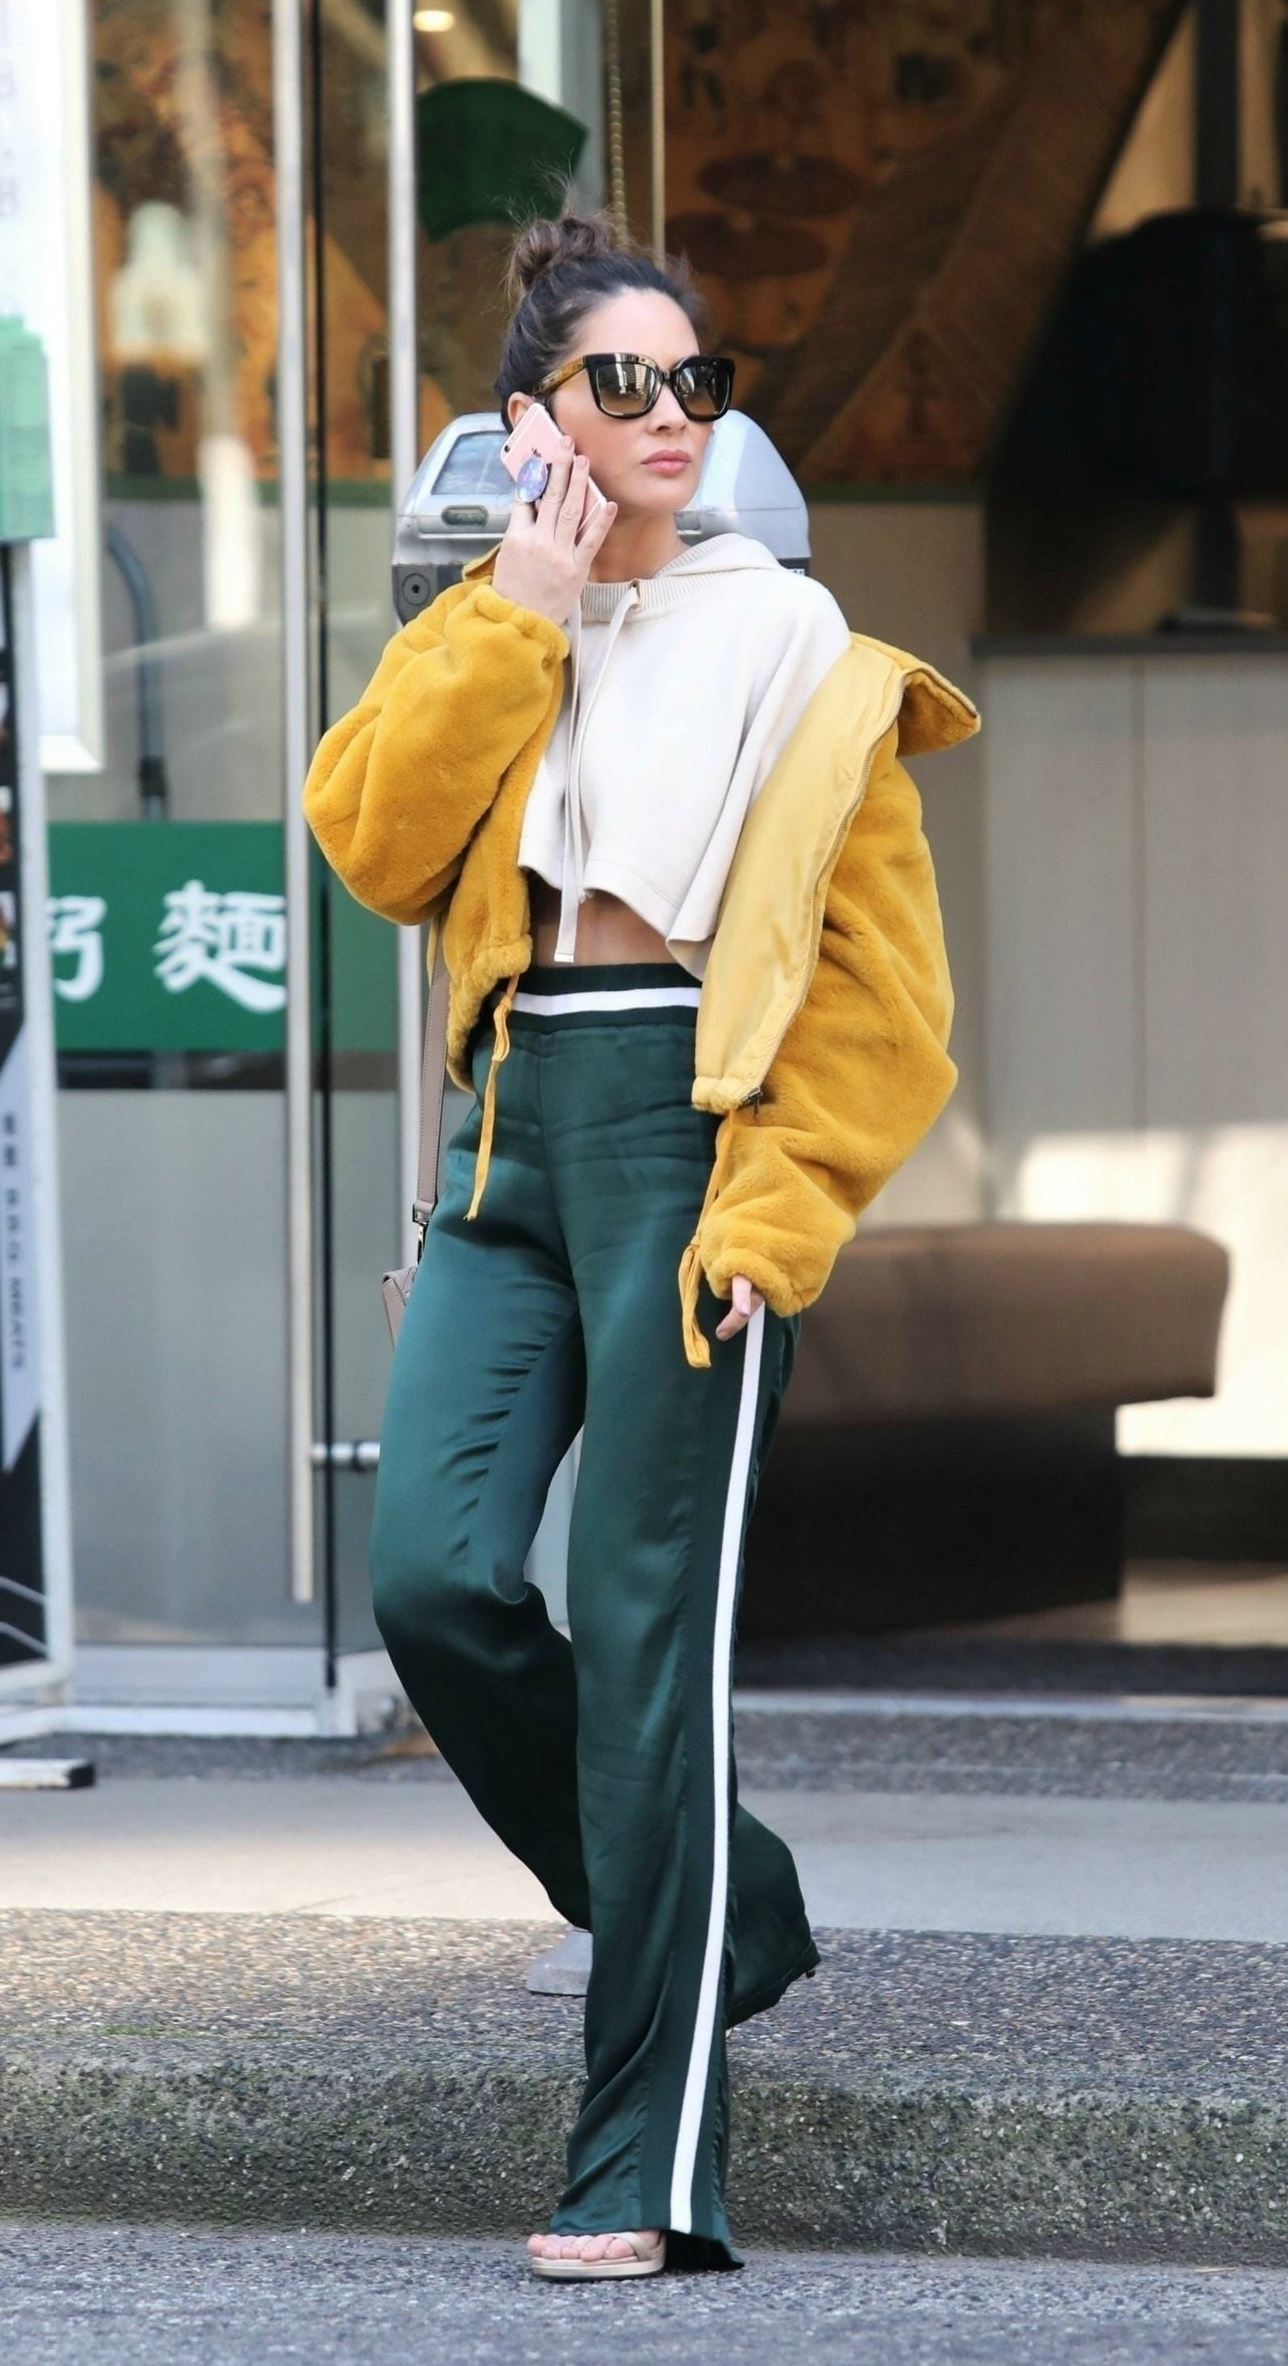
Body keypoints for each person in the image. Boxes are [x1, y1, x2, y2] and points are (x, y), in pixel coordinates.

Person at [303, 201, 979, 2281]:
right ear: (536, 420)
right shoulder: (486, 630)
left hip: (690, 1166)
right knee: (431, 1582)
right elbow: (374, 849)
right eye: (625, 380)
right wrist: (516, 600)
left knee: (647, 1648)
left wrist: (779, 1210)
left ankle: (645, 2167)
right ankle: (729, 1908)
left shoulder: (797, 646)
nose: (672, 410)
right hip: (507, 1151)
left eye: (697, 380)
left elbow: (884, 1002)